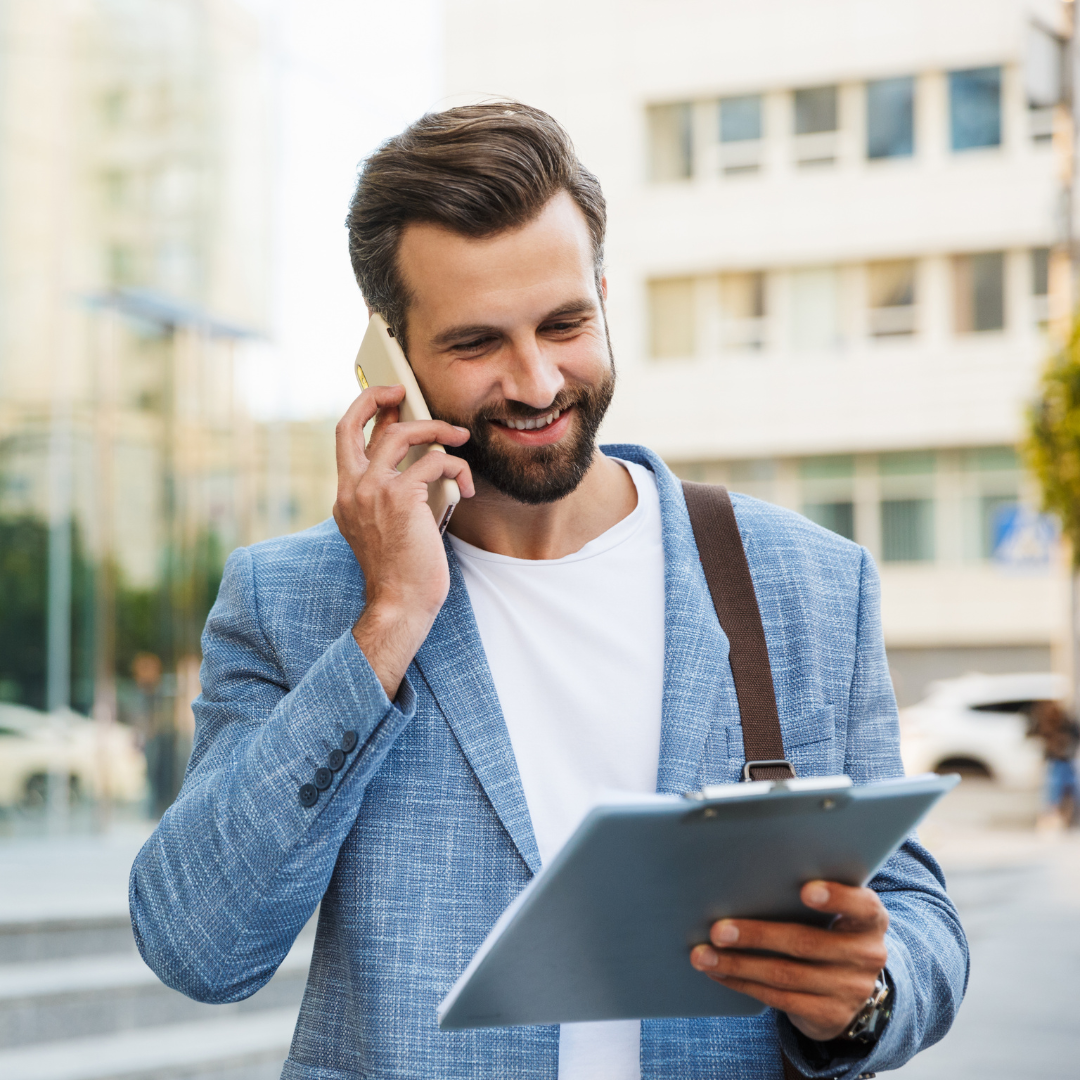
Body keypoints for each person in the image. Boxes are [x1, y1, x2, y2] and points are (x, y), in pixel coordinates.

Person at [129, 104, 967, 1080]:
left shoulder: (808, 583)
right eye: (478, 343)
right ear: (390, 358)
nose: (536, 382)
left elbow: (916, 921)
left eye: (566, 324)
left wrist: (865, 995)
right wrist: (387, 622)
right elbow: (198, 948)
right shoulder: (294, 601)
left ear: (604, 296)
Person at [1032, 699, 1079, 828]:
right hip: (1056, 759)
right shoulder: (1047, 722)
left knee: (1066, 788)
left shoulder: (1066, 721)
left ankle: (1062, 817)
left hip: (1066, 759)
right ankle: (1051, 817)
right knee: (1054, 788)